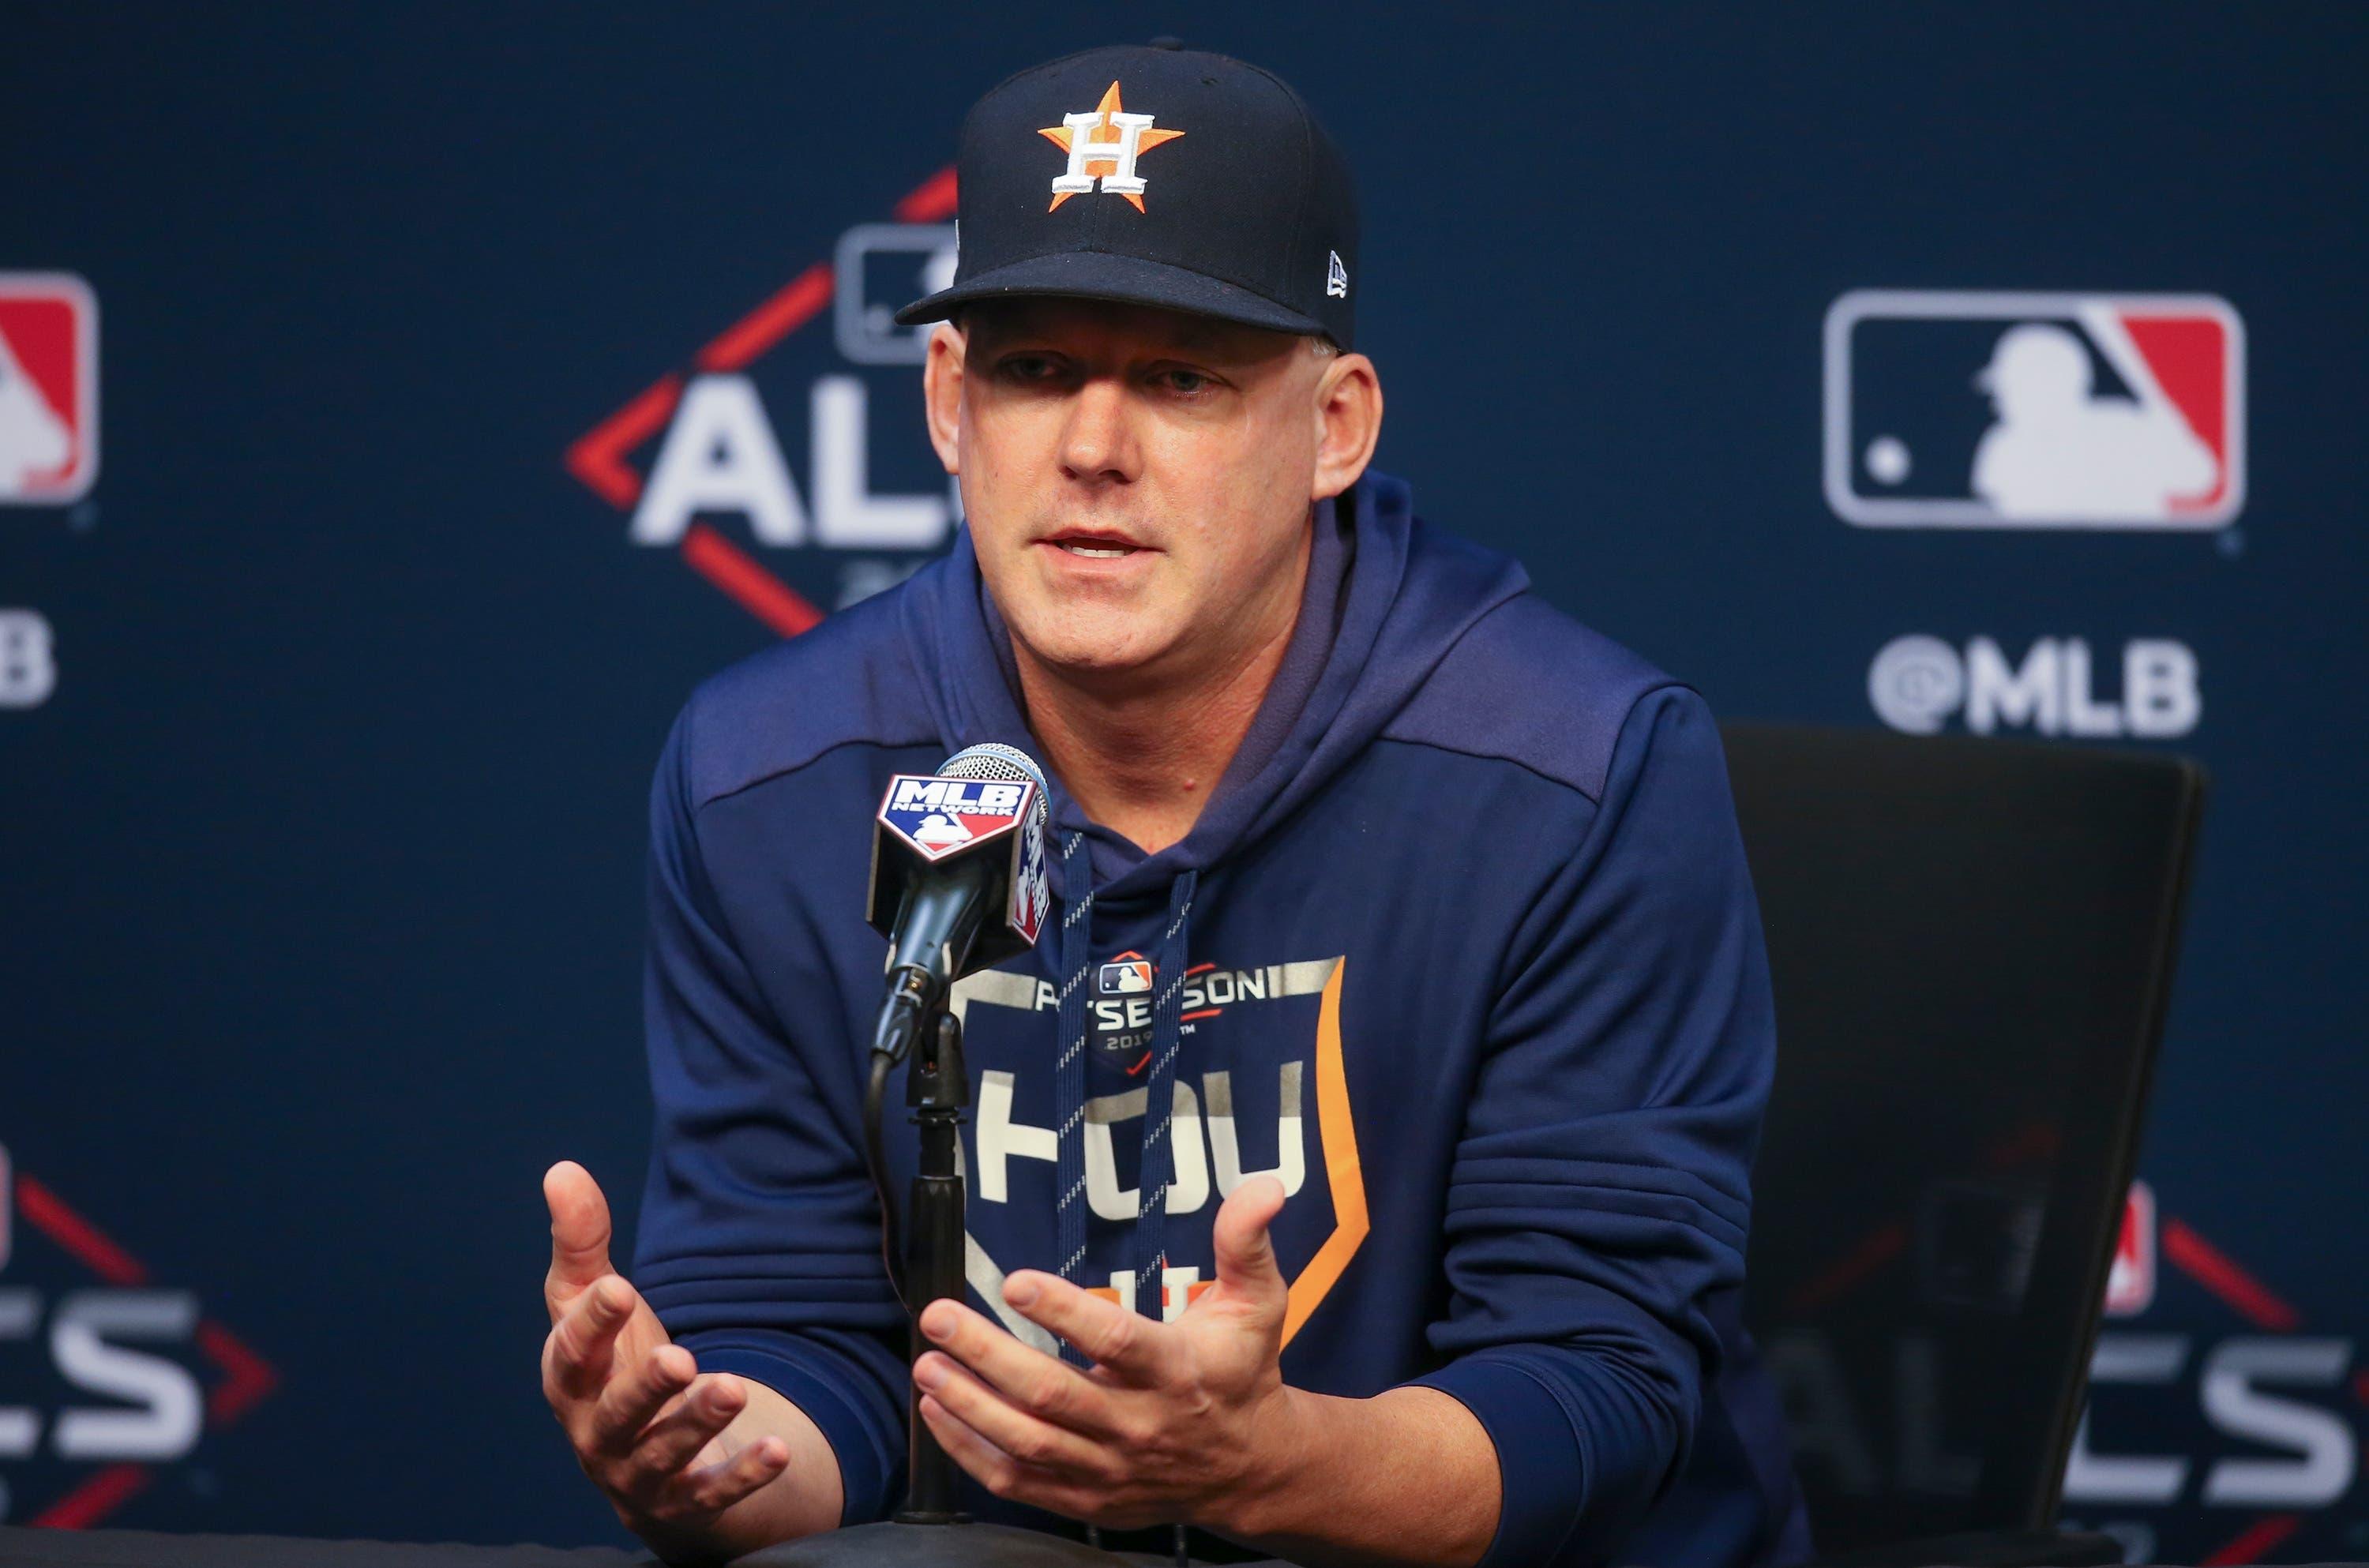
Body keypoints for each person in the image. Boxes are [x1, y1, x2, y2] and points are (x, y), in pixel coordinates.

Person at [540, 39, 1808, 1568]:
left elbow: (1595, 1388)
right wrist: (708, 1453)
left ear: (1335, 426)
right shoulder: (772, 775)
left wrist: (1260, 1464)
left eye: (1179, 379)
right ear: (949, 403)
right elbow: (812, 1348)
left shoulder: (1575, 769)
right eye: (1033, 371)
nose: (1091, 448)